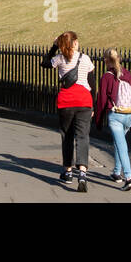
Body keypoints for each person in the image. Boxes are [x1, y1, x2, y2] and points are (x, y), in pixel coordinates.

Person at [40, 30, 95, 192]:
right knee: (83, 136)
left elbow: (44, 63)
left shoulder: (59, 59)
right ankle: (83, 173)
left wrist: (54, 46)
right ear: (75, 43)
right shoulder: (85, 59)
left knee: (67, 136)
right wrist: (94, 106)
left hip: (66, 102)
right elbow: (92, 84)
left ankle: (68, 171)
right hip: (84, 101)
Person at [93, 48, 131, 190]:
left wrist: (98, 120)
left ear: (105, 61)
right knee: (118, 142)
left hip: (116, 116)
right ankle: (116, 172)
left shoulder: (107, 77)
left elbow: (101, 101)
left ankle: (129, 178)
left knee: (121, 146)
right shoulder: (127, 74)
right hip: (130, 115)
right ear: (119, 58)